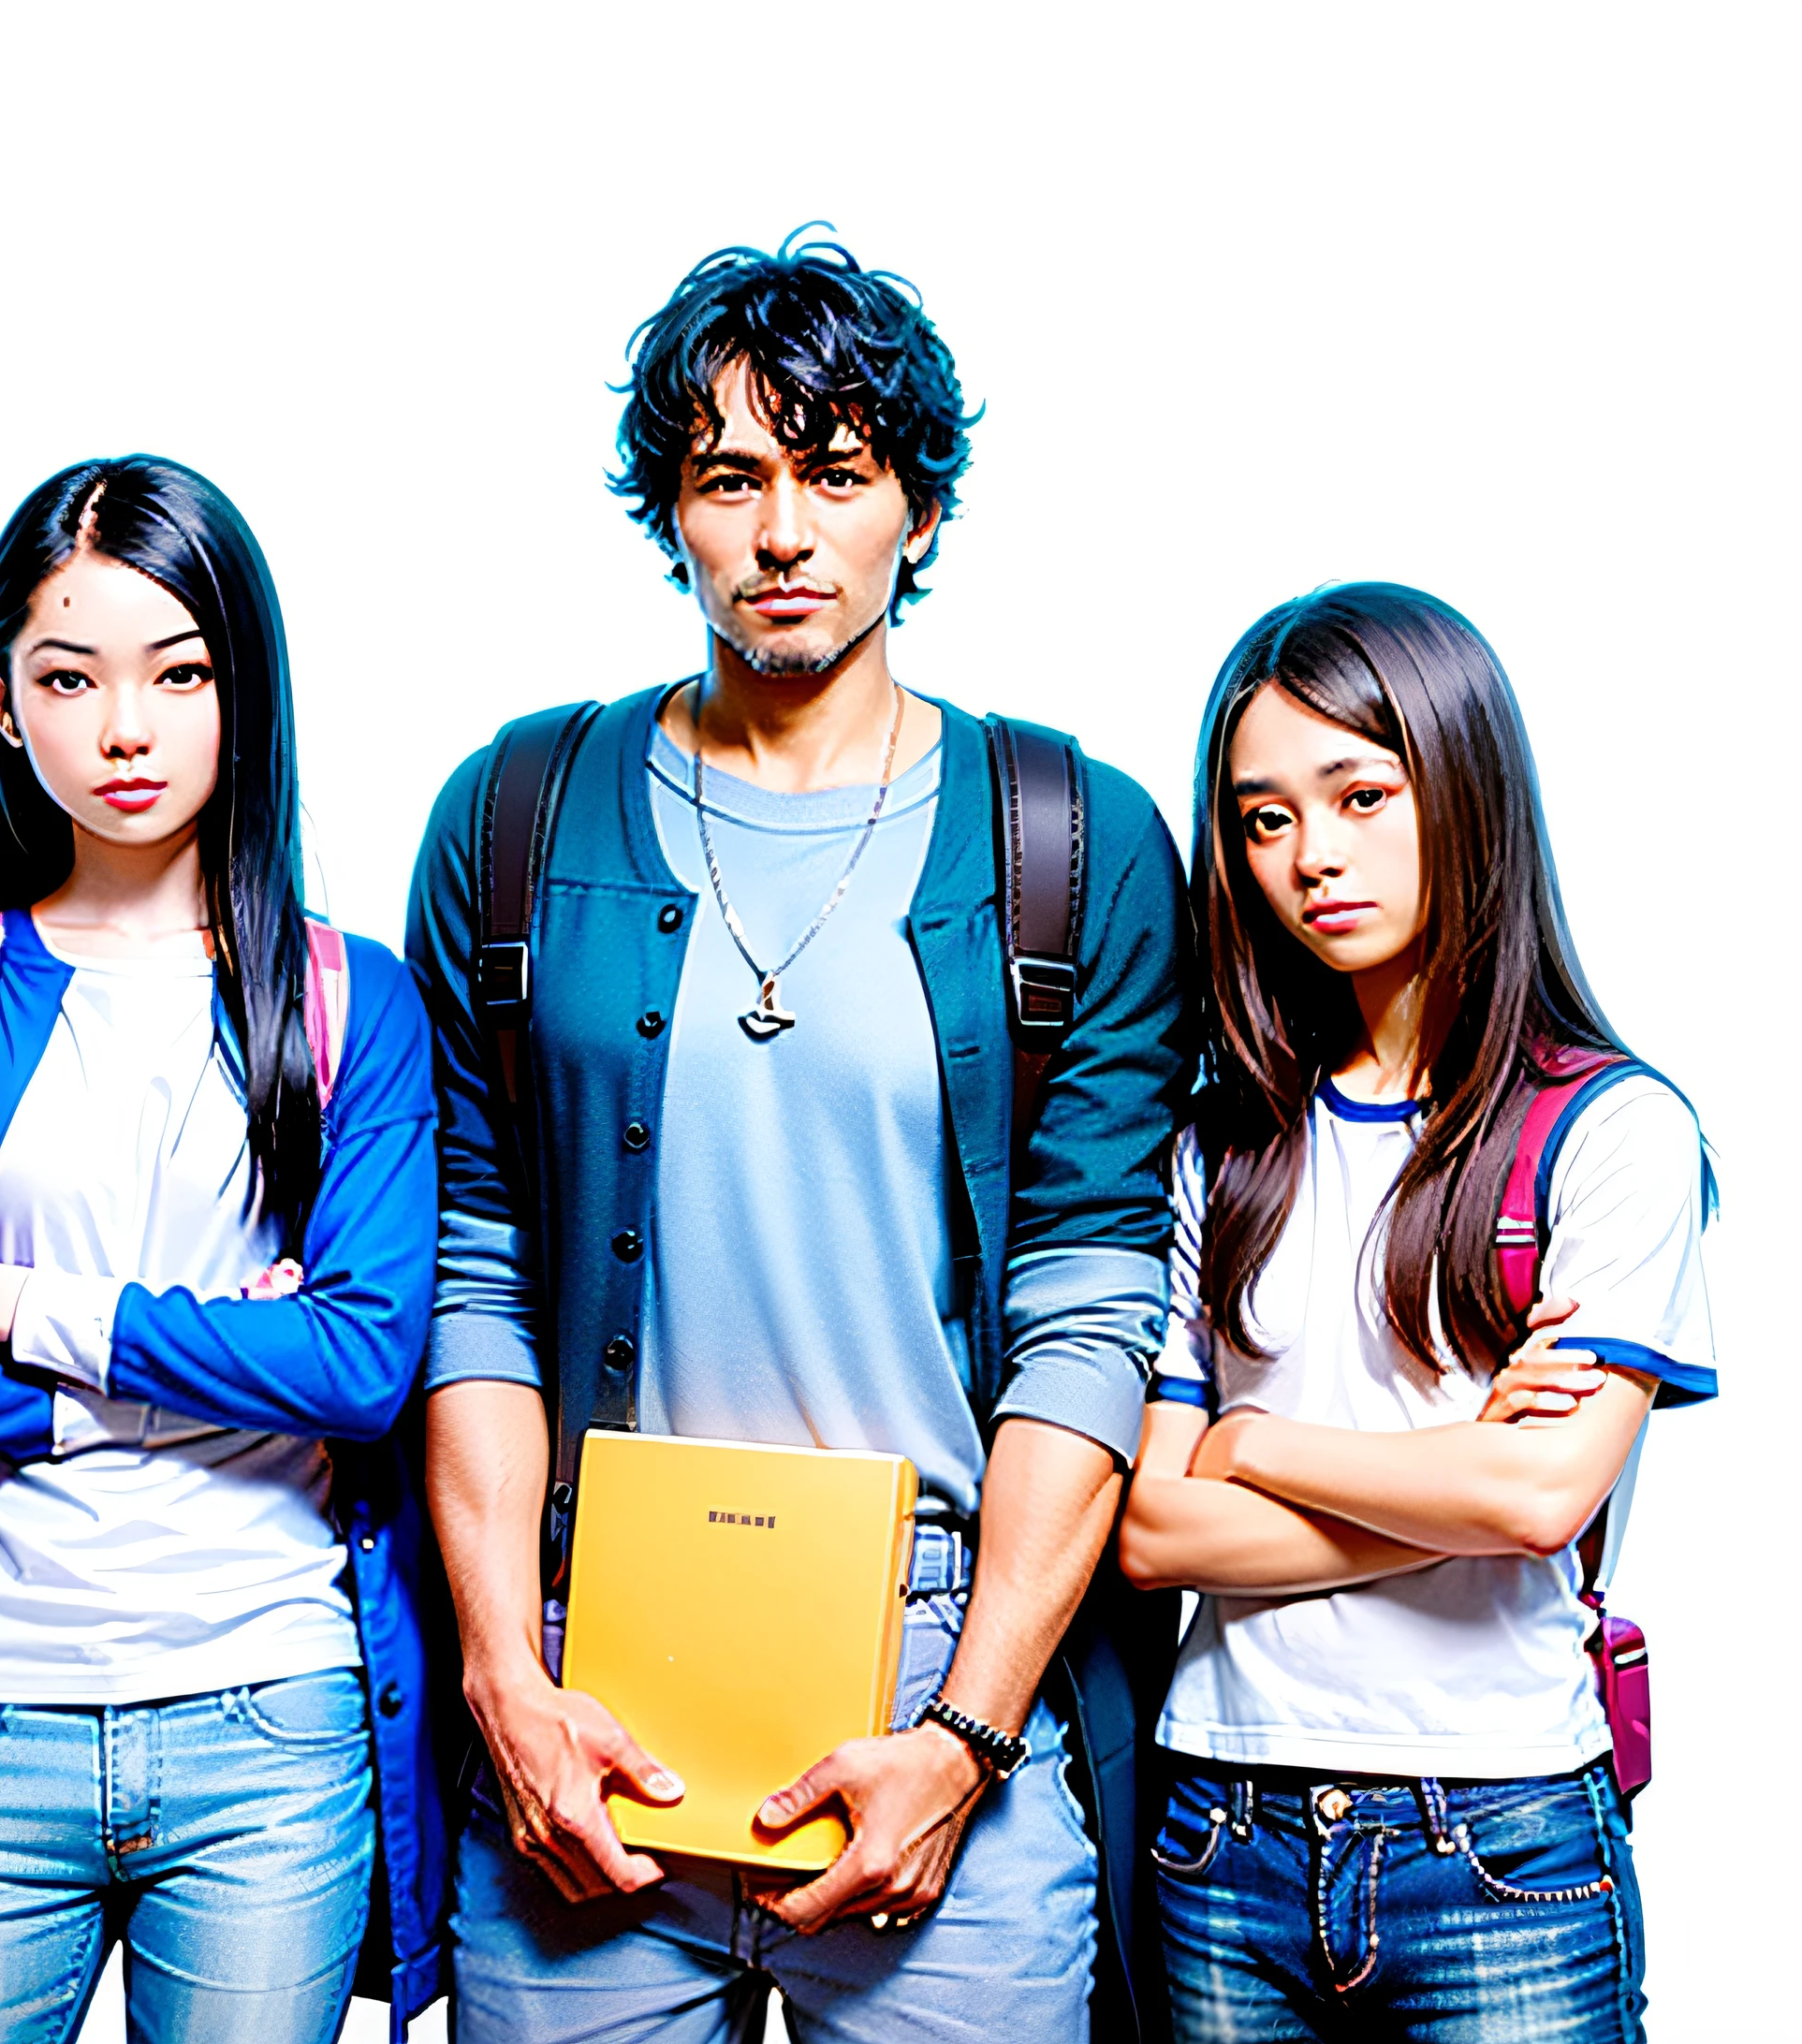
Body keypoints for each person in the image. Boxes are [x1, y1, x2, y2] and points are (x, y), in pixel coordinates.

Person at [407, 229, 1191, 2042]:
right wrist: (506, 1684)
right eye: (728, 477)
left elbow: (1090, 1305)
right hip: (590, 1674)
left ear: (918, 509)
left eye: (836, 476)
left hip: (940, 1664)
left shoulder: (1065, 842)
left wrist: (970, 1734)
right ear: (667, 511)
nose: (782, 533)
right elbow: (476, 1274)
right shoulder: (519, 810)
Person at [0, 457, 446, 2044]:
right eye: (71, 678)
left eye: (177, 671)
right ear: (2, 702)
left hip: (269, 1724)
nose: (124, 728)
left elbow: (356, 1367)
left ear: (242, 688)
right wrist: (192, 1375)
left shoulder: (352, 1005)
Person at [1120, 583, 1715, 2039]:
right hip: (1222, 1833)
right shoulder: (1221, 1146)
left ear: (1463, 783)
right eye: (1264, 820)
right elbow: (1148, 1534)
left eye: (1361, 794)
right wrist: (1448, 1476)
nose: (1313, 855)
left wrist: (1251, 1450)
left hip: (1500, 1839)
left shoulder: (1610, 1131)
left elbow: (1531, 1503)